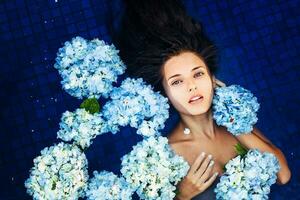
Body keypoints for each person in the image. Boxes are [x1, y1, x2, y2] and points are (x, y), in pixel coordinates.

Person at [111, 0, 291, 199]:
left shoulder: (235, 124)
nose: (191, 86)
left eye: (198, 74)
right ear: (165, 94)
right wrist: (182, 195)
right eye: (177, 82)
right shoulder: (168, 153)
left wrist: (237, 123)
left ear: (213, 79)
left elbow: (283, 175)